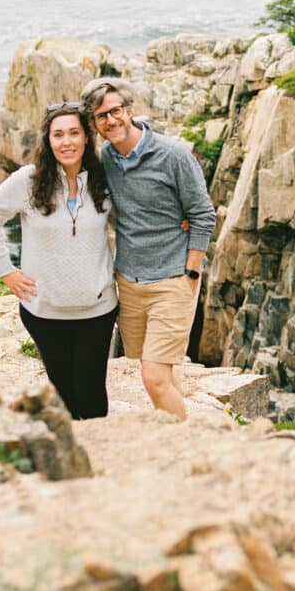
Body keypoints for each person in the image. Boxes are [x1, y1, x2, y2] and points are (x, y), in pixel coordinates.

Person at [81, 77, 216, 421]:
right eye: (101, 117)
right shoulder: (105, 159)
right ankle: (178, 424)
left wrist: (191, 269)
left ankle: (185, 446)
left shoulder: (173, 155)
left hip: (173, 279)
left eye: (115, 111)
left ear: (129, 110)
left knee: (153, 377)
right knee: (156, 371)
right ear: (94, 124)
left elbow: (202, 214)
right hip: (129, 280)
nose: (111, 121)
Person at [0, 102, 118, 419]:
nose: (66, 142)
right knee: (63, 396)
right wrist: (6, 270)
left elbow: (136, 217)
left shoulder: (103, 180)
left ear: (86, 138)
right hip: (44, 311)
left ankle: (99, 461)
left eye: (73, 133)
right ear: (48, 140)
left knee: (93, 397)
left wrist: (179, 221)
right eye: (58, 135)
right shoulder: (29, 180)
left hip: (97, 310)